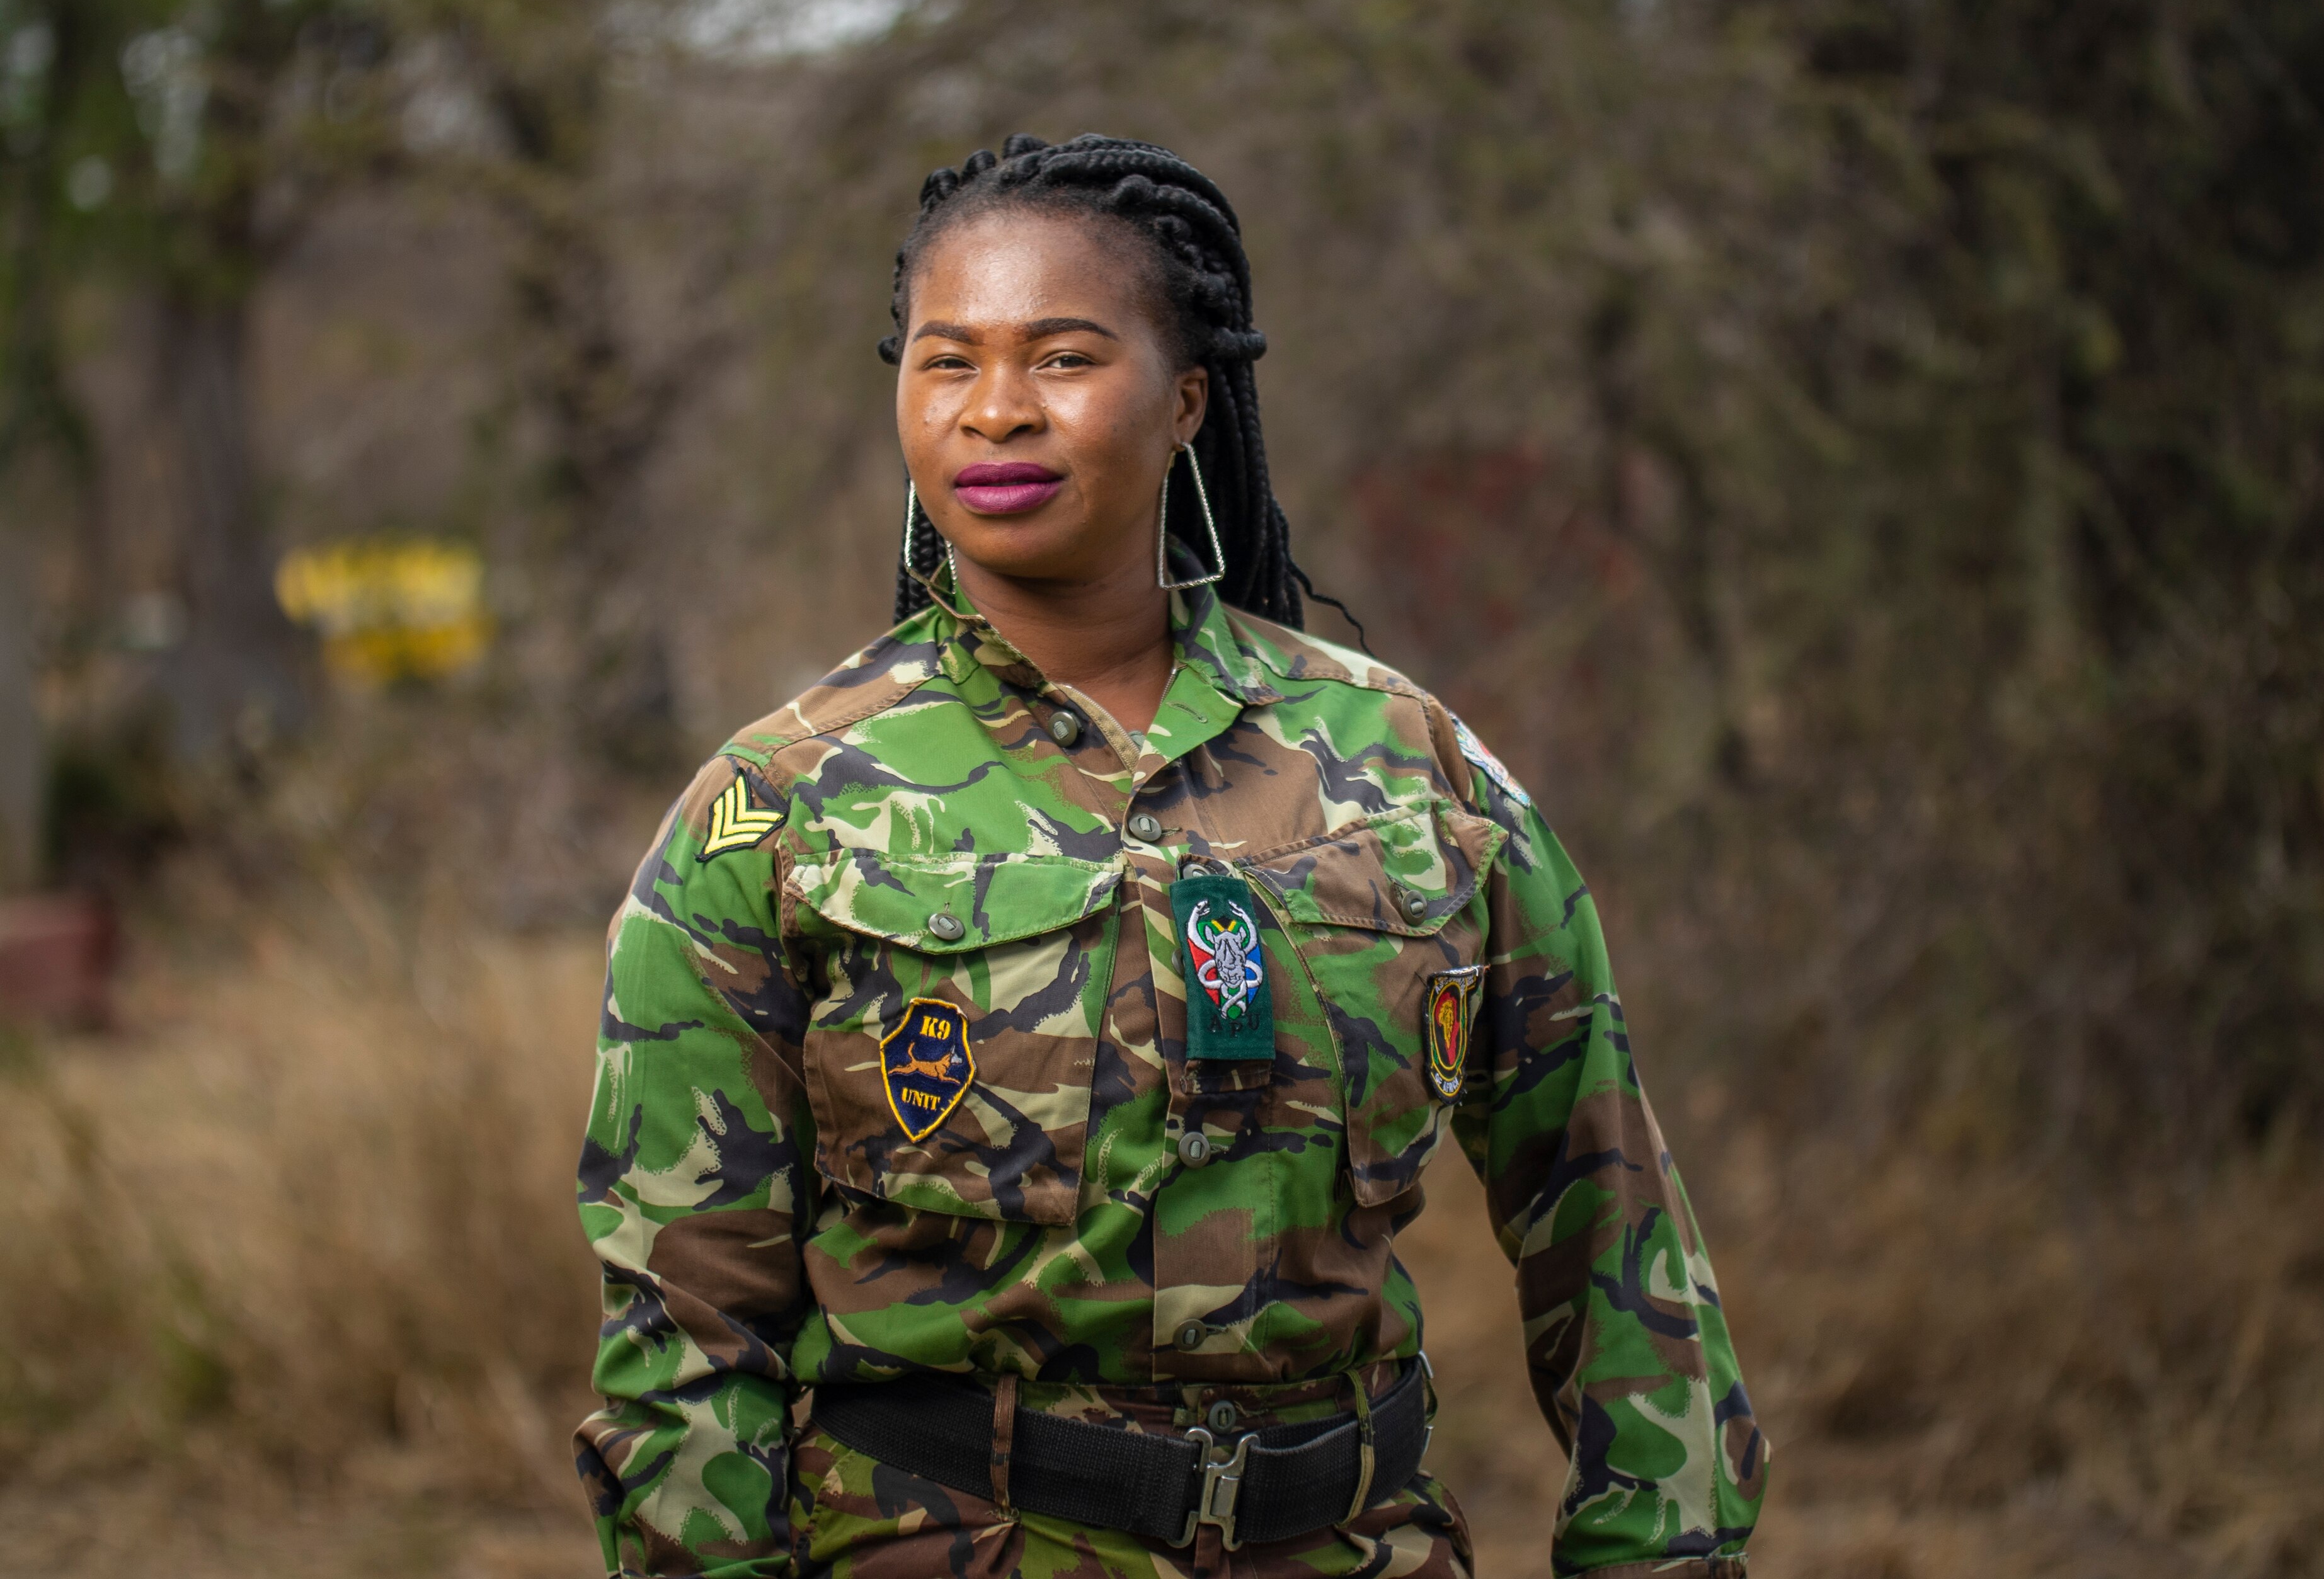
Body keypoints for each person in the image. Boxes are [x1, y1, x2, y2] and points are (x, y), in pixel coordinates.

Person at [574, 133, 1768, 1579]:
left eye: (1064, 358)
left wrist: (1663, 1549)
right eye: (946, 363)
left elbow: (1612, 1218)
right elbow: (684, 1330)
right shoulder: (778, 807)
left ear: (1188, 397)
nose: (995, 412)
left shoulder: (1408, 767)